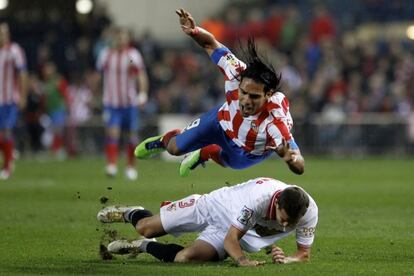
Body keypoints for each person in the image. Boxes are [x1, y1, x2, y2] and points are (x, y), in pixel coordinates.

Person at [135, 9, 304, 177]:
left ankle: (203, 153)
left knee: (229, 163)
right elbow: (210, 44)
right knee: (174, 149)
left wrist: (291, 159)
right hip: (220, 122)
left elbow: (298, 161)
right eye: (243, 92)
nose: (245, 101)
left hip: (250, 149)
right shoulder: (236, 71)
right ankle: (163, 140)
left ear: (268, 94)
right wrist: (194, 31)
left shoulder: (275, 121)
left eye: (254, 96)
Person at [97, 177, 318, 266]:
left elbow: (303, 254)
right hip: (212, 206)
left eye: (292, 223)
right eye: (284, 220)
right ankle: (132, 213)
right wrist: (242, 261)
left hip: (235, 229)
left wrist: (286, 259)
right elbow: (232, 239)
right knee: (145, 228)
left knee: (185, 258)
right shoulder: (258, 199)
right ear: (277, 202)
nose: (285, 227)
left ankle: (142, 246)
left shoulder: (308, 212)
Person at [97, 27, 149, 181]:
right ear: (114, 38)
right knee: (113, 132)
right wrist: (94, 94)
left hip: (129, 103)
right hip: (111, 103)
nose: (120, 40)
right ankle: (111, 165)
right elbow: (98, 76)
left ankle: (131, 167)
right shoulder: (106, 55)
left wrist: (143, 93)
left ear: (127, 39)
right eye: (118, 37)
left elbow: (141, 75)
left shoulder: (133, 55)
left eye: (123, 37)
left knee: (131, 135)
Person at [0, 23, 28, 180]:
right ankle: (10, 152)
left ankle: (7, 167)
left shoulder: (14, 50)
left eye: (3, 33)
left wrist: (23, 96)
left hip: (10, 100)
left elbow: (23, 74)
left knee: (7, 131)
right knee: (3, 135)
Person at [42, 61, 70, 159]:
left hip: (58, 109)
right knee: (52, 131)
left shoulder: (58, 80)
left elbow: (65, 94)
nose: (46, 71)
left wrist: (67, 107)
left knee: (58, 130)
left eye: (48, 68)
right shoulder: (47, 82)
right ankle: (54, 149)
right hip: (49, 110)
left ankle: (57, 149)